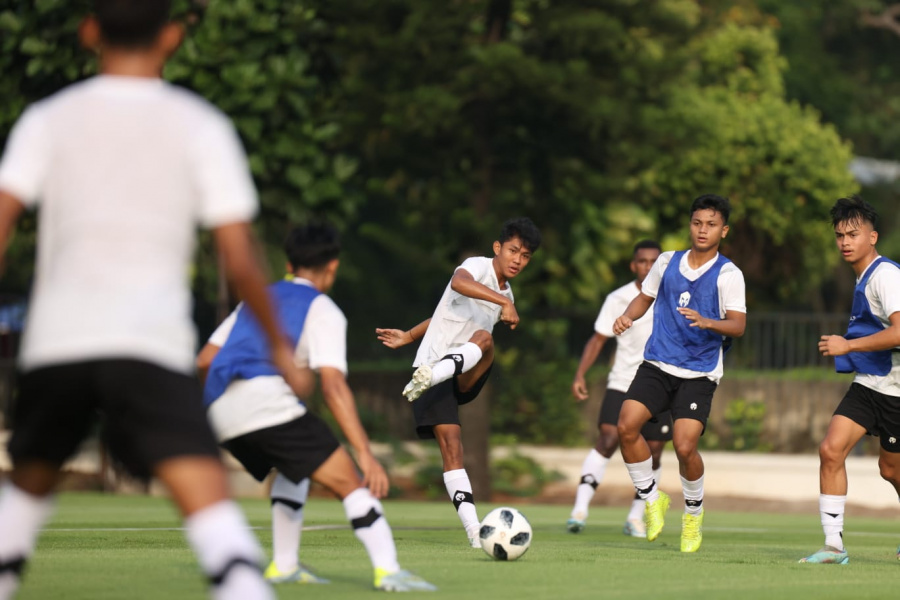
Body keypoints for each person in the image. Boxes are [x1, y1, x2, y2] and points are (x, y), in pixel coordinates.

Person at [0, 1, 311, 598]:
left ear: (88, 30)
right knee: (215, 525)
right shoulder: (200, 125)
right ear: (172, 36)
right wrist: (278, 344)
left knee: (21, 506)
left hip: (57, 344)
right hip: (148, 346)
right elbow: (240, 256)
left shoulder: (46, 119)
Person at [196, 223, 436, 592]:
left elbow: (204, 361)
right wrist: (365, 454)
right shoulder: (323, 310)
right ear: (333, 267)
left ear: (289, 264)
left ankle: (285, 565)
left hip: (219, 409)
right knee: (352, 484)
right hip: (265, 402)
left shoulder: (255, 299)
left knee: (296, 470)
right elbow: (334, 387)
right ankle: (389, 571)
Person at [375, 217, 541, 547]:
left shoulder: (507, 292)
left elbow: (457, 316)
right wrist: (409, 337)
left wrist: (409, 335)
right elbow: (458, 285)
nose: (517, 260)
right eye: (512, 251)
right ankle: (475, 532)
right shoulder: (477, 267)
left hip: (460, 374)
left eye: (524, 256)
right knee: (452, 449)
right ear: (498, 248)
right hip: (433, 365)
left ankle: (432, 377)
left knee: (485, 338)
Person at [613, 194, 746, 553]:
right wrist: (629, 315)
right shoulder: (667, 261)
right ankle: (652, 499)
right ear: (690, 225)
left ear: (724, 230)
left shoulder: (729, 274)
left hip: (699, 372)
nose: (703, 230)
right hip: (657, 362)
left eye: (711, 224)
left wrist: (708, 322)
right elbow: (645, 296)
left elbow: (738, 325)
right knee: (625, 426)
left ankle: (693, 513)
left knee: (685, 446)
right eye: (697, 222)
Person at [800, 196, 900, 565]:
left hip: (896, 391)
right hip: (870, 382)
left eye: (853, 234)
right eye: (840, 235)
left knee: (890, 468)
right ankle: (833, 547)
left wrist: (848, 344)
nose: (845, 241)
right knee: (831, 449)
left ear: (872, 237)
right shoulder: (863, 277)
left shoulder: (886, 276)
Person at [567, 240, 674, 537]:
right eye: (643, 261)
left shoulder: (672, 296)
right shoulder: (619, 298)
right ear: (633, 265)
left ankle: (635, 517)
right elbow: (598, 339)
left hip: (661, 382)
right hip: (623, 382)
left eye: (655, 261)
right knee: (609, 436)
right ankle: (579, 510)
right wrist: (580, 373)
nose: (648, 266)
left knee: (653, 451)